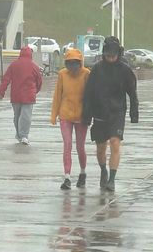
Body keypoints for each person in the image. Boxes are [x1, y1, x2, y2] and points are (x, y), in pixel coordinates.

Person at [81, 36, 139, 192]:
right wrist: (86, 115)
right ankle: (103, 170)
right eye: (107, 55)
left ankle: (112, 180)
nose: (110, 58)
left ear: (119, 54)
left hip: (117, 112)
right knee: (101, 148)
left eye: (113, 55)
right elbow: (88, 93)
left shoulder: (125, 71)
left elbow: (132, 93)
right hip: (99, 113)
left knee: (115, 142)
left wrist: (134, 113)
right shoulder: (97, 70)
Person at [50, 49, 90, 190]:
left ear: (80, 63)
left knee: (80, 147)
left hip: (81, 115)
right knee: (67, 144)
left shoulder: (86, 74)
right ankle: (67, 176)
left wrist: (90, 114)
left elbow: (91, 95)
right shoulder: (62, 74)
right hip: (65, 114)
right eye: (70, 64)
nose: (73, 67)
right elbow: (58, 95)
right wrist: (54, 114)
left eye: (76, 64)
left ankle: (83, 172)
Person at [0, 46, 42, 145]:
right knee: (26, 116)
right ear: (30, 54)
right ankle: (24, 136)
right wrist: (35, 91)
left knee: (17, 116)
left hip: (16, 95)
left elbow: (6, 79)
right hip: (29, 95)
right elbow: (39, 81)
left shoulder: (13, 65)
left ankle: (19, 134)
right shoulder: (34, 66)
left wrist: (1, 92)